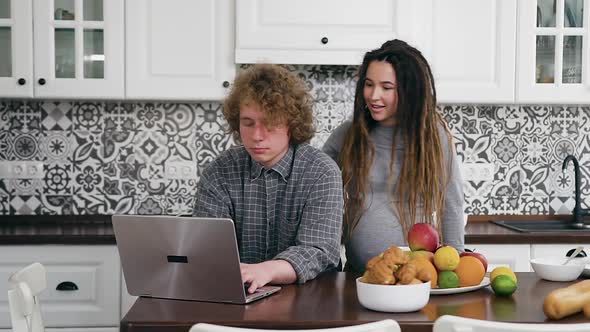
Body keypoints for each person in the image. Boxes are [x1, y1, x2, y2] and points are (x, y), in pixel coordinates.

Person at [193, 64, 343, 292]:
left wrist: (267, 270)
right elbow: (206, 248)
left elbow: (319, 251)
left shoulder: (321, 172)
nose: (256, 136)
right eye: (248, 123)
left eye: (270, 124)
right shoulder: (220, 172)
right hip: (240, 298)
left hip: (311, 301)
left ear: (292, 125)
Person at [322, 39, 465, 273]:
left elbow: (451, 202)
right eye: (369, 84)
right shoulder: (349, 134)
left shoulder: (432, 137)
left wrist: (455, 266)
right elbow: (313, 184)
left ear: (408, 91)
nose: (374, 95)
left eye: (386, 87)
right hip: (358, 276)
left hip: (416, 277)